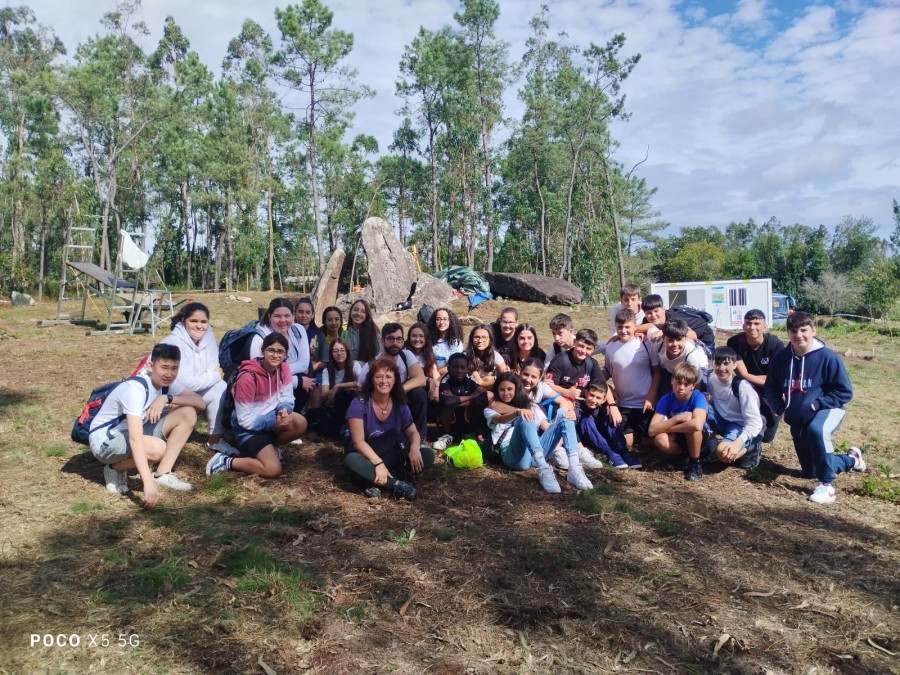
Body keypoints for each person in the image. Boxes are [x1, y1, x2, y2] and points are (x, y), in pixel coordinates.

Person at [764, 312, 864, 504]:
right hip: (798, 417)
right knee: (810, 471)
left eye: (804, 330)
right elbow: (771, 386)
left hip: (828, 409)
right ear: (788, 333)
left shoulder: (827, 357)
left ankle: (827, 486)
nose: (799, 335)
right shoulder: (782, 358)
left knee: (816, 430)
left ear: (813, 331)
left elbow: (844, 392)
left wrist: (816, 404)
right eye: (794, 331)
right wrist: (779, 406)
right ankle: (852, 460)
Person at [89, 343, 205, 507]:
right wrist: (147, 483)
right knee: (157, 449)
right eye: (164, 367)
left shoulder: (166, 384)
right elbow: (135, 439)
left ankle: (162, 474)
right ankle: (115, 468)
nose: (169, 374)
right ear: (151, 366)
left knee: (188, 413)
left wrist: (167, 398)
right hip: (106, 442)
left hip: (130, 433)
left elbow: (200, 403)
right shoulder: (136, 389)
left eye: (174, 368)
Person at [206, 332, 307, 479]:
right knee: (272, 470)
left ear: (285, 354)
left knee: (300, 422)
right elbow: (244, 420)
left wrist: (284, 409)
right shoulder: (248, 377)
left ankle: (270, 448)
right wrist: (274, 423)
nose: (275, 355)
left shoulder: (283, 368)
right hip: (248, 429)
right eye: (271, 350)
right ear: (262, 351)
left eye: (280, 352)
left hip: (271, 418)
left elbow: (287, 396)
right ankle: (226, 461)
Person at [485, 372, 593, 493]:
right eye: (501, 390)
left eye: (510, 389)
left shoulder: (530, 405)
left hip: (535, 454)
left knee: (565, 415)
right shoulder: (489, 409)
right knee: (523, 418)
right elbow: (499, 419)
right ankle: (544, 469)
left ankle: (574, 468)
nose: (506, 393)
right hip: (513, 454)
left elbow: (547, 428)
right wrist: (517, 413)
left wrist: (564, 423)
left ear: (516, 389)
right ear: (497, 390)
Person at [345, 358, 434, 500]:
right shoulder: (359, 404)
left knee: (427, 455)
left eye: (388, 377)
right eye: (378, 377)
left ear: (395, 381)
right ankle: (396, 483)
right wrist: (378, 463)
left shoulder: (400, 404)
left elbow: (412, 432)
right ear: (371, 380)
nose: (383, 381)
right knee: (352, 460)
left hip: (394, 454)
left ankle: (373, 481)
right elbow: (358, 443)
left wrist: (415, 449)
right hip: (368, 455)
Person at [159, 301, 237, 456]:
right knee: (218, 381)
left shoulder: (208, 336)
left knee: (220, 387)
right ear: (183, 321)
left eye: (203, 322)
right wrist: (215, 375)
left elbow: (214, 365)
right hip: (165, 396)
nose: (199, 326)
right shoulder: (173, 343)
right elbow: (186, 382)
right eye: (193, 321)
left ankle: (214, 441)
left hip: (189, 392)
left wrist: (213, 375)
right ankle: (161, 436)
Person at [356, 323, 429, 438]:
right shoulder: (370, 365)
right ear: (382, 341)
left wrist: (399, 390)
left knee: (419, 393)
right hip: (380, 402)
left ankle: (420, 436)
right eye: (390, 339)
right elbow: (361, 390)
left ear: (403, 341)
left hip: (402, 398)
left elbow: (421, 379)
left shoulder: (406, 355)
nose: (395, 343)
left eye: (398, 339)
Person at [603, 309, 660, 454]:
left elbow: (657, 372)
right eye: (620, 327)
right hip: (624, 404)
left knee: (651, 446)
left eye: (627, 327)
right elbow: (608, 371)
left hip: (644, 404)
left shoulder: (646, 344)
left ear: (635, 327)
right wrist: (594, 381)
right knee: (625, 445)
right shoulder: (610, 347)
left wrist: (651, 397)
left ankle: (642, 436)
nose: (623, 331)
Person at [726, 309, 784, 442]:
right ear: (743, 326)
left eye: (757, 323)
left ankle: (768, 415)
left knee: (767, 438)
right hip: (747, 387)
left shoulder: (775, 345)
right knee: (739, 381)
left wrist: (771, 382)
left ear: (765, 326)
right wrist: (767, 379)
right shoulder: (734, 343)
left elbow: (777, 379)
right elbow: (742, 374)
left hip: (770, 391)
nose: (752, 327)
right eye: (748, 323)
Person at [649, 363, 712, 482]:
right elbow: (652, 430)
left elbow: (697, 424)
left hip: (699, 438)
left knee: (691, 426)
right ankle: (685, 457)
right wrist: (677, 419)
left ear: (693, 386)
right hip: (678, 436)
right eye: (678, 382)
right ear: (672, 381)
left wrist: (666, 428)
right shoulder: (666, 399)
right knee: (659, 439)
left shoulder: (698, 397)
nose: (681, 387)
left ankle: (695, 462)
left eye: (686, 384)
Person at [250, 297, 313, 412]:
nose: (282, 320)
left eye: (287, 316)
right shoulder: (259, 337)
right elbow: (262, 376)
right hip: (266, 389)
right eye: (277, 316)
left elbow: (304, 364)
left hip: (282, 383)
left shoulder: (298, 330)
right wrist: (297, 381)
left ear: (293, 316)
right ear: (269, 316)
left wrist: (278, 373)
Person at [707, 346, 765, 469]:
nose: (721, 368)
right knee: (700, 407)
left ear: (734, 365)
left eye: (726, 363)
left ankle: (752, 446)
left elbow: (754, 422)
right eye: (717, 363)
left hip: (740, 425)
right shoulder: (712, 380)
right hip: (723, 420)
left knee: (723, 453)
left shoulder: (742, 387)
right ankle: (709, 448)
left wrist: (738, 442)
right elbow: (716, 401)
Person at [577, 381, 641, 469]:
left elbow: (615, 397)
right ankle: (610, 454)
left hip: (604, 437)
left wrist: (612, 408)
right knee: (586, 421)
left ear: (604, 400)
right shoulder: (579, 406)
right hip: (590, 441)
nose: (593, 400)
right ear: (586, 393)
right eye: (592, 395)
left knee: (610, 419)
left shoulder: (603, 408)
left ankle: (624, 452)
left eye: (598, 398)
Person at [434, 352, 488, 449]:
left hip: (466, 419)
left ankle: (470, 434)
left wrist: (456, 399)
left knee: (479, 404)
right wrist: (471, 396)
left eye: (463, 367)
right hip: (450, 420)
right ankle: (447, 435)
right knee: (444, 405)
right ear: (449, 368)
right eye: (455, 367)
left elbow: (484, 398)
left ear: (467, 369)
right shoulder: (445, 380)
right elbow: (447, 401)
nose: (459, 371)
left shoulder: (470, 379)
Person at [308, 338, 360, 436]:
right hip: (334, 407)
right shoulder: (327, 370)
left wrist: (338, 387)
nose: (339, 353)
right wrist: (339, 390)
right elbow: (324, 394)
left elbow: (362, 383)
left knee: (344, 395)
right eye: (335, 351)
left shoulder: (355, 365)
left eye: (342, 350)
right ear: (331, 354)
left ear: (347, 352)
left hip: (351, 404)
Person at [650, 319, 711, 395]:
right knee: (666, 394)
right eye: (670, 340)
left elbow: (696, 383)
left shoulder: (691, 356)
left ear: (685, 338)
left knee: (697, 395)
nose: (675, 344)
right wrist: (637, 331)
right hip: (672, 369)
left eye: (679, 340)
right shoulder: (657, 343)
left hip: (698, 368)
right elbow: (649, 327)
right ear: (663, 338)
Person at [545, 328, 604, 402]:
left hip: (586, 401)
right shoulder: (560, 359)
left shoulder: (592, 363)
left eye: (588, 348)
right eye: (581, 346)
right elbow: (549, 385)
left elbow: (602, 385)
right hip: (562, 400)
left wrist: (612, 405)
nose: (583, 351)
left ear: (594, 349)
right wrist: (567, 392)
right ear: (574, 342)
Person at [465, 324, 508, 390]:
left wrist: (494, 379)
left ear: (490, 339)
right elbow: (479, 383)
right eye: (477, 337)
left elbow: (506, 375)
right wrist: (495, 379)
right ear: (472, 339)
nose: (480, 341)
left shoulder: (494, 354)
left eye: (484, 337)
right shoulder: (466, 356)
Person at [405, 322, 440, 402]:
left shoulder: (428, 354)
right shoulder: (405, 353)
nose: (417, 339)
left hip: (425, 388)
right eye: (414, 336)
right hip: (411, 389)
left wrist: (437, 389)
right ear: (409, 337)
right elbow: (408, 377)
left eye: (421, 336)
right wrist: (429, 380)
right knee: (419, 392)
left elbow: (436, 375)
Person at [427, 307, 465, 375]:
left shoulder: (456, 343)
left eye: (445, 319)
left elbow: (454, 365)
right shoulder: (429, 341)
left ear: (450, 321)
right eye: (438, 319)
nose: (441, 322)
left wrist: (438, 374)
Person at [343, 299, 381, 364]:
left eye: (363, 312)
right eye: (355, 310)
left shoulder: (374, 334)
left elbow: (380, 357)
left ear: (367, 315)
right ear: (351, 312)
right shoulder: (345, 333)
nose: (358, 313)